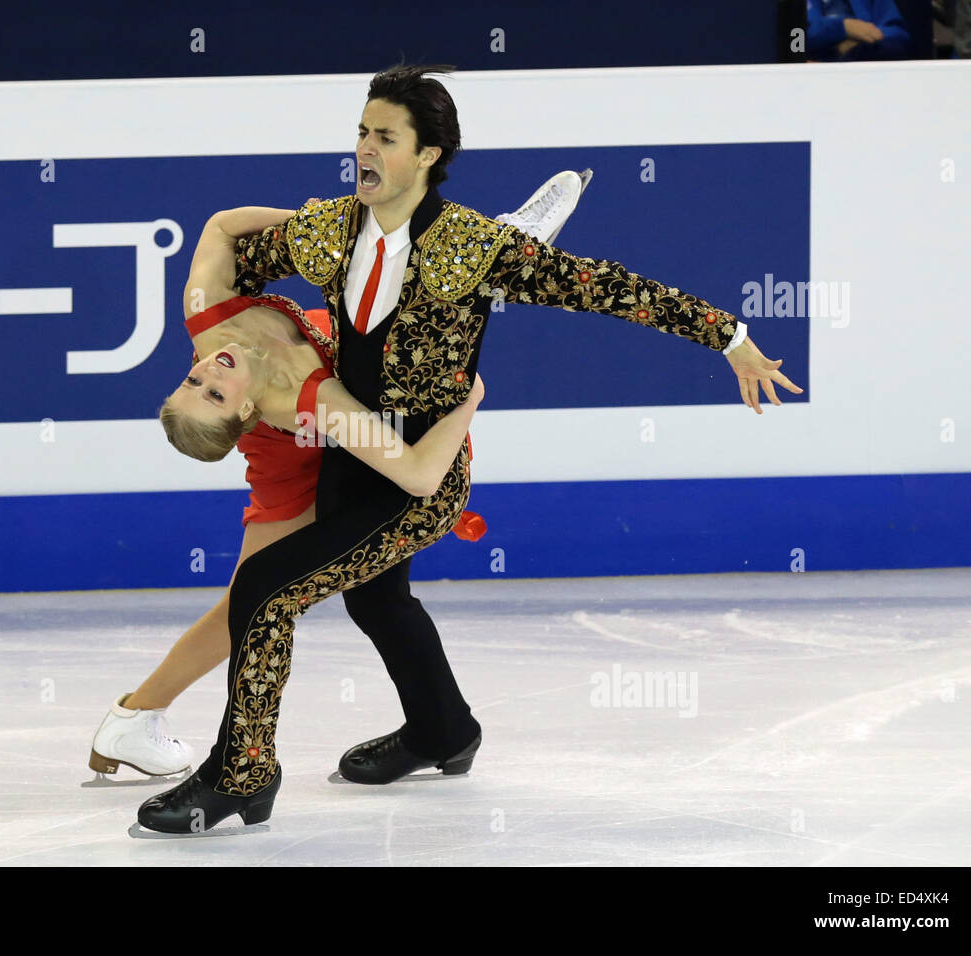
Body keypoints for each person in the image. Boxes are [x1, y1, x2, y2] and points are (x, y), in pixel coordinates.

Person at [134, 63, 802, 834]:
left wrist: (732, 338)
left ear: (428, 155)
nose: (366, 150)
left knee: (267, 587)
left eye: (386, 137)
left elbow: (608, 287)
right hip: (353, 457)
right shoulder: (328, 231)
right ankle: (443, 730)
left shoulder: (474, 249)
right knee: (375, 596)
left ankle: (244, 774)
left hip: (425, 475)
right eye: (361, 132)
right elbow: (237, 258)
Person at [90, 172, 590, 778]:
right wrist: (465, 405)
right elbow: (416, 473)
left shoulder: (208, 317)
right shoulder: (306, 403)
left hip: (367, 423)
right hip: (310, 468)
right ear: (243, 413)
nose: (205, 372)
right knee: (254, 603)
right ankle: (140, 720)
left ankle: (444, 730)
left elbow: (221, 223)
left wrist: (329, 231)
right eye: (212, 392)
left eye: (193, 380)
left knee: (377, 597)